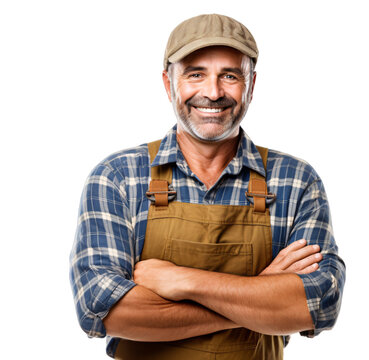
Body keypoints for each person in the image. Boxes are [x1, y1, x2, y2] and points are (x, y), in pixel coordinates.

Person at [70, 13, 345, 360]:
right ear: (169, 84)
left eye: (230, 76)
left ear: (252, 84)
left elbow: (319, 305)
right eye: (195, 74)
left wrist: (184, 281)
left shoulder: (296, 180)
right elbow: (103, 310)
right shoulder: (118, 177)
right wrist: (261, 293)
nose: (212, 93)